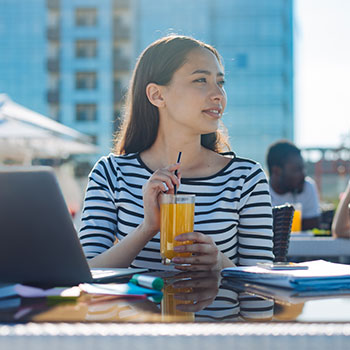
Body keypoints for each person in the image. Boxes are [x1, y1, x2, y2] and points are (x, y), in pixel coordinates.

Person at [79, 35, 274, 271]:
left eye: (220, 83)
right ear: (157, 95)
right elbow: (86, 272)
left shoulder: (246, 178)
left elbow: (264, 285)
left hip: (222, 310)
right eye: (201, 80)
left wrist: (220, 263)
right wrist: (147, 228)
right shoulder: (110, 173)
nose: (218, 95)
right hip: (135, 310)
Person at [266, 140, 321, 231]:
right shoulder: (259, 192)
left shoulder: (308, 187)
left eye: (303, 169)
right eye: (296, 170)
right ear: (276, 171)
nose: (303, 175)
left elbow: (313, 227)